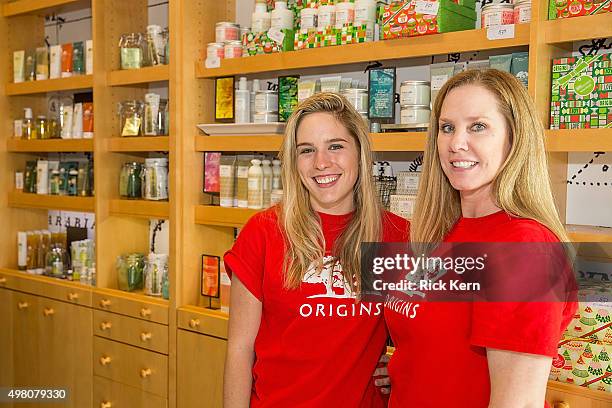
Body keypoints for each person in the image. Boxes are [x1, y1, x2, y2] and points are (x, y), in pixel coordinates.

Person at [384, 69, 577, 407]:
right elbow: (432, 346)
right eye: (447, 128)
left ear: (514, 139)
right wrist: (405, 366)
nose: (457, 143)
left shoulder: (524, 249)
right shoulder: (434, 232)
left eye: (478, 127)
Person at [223, 92, 409, 407]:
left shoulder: (394, 236)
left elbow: (428, 335)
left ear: (359, 152)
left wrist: (401, 366)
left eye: (335, 146)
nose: (321, 162)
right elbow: (239, 350)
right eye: (307, 150)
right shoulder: (265, 233)